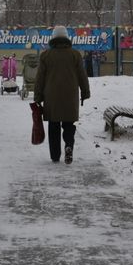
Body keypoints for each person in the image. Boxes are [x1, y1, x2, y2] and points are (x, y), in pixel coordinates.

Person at [33, 26, 90, 165]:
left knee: (54, 126)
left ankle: (55, 155)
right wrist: (85, 92)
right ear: (66, 38)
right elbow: (82, 75)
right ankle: (69, 145)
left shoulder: (46, 55)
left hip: (51, 96)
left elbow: (40, 78)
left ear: (53, 38)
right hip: (70, 96)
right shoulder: (75, 55)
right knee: (69, 124)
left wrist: (38, 97)